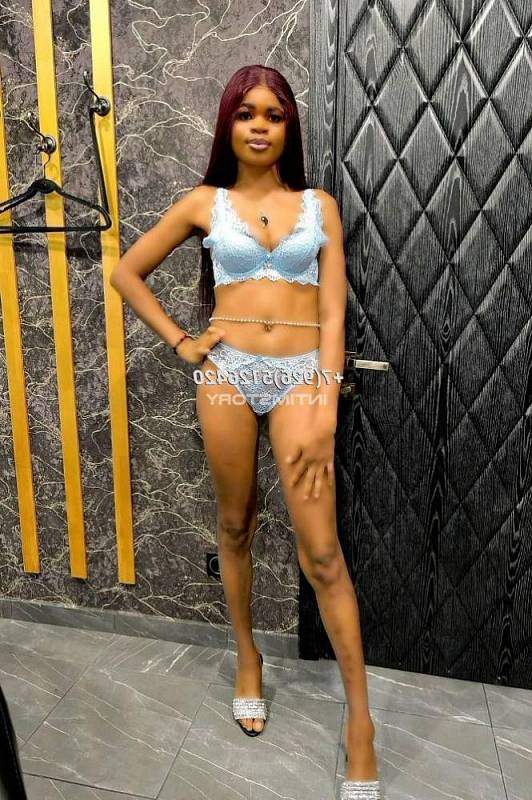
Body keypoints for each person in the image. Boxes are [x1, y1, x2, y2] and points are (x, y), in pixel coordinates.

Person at [110, 64, 382, 800]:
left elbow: (333, 311)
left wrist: (325, 404)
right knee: (235, 525)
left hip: (301, 378)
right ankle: (247, 658)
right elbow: (127, 272)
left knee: (322, 552)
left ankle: (361, 726)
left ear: (288, 127)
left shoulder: (319, 206)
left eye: (274, 114)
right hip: (226, 374)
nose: (260, 125)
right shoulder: (205, 203)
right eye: (246, 113)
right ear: (228, 123)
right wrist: (183, 341)